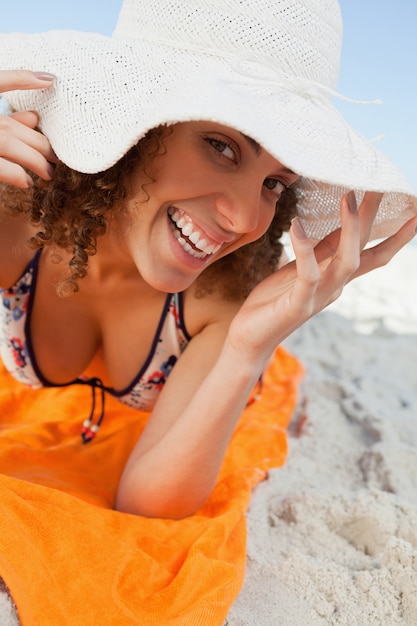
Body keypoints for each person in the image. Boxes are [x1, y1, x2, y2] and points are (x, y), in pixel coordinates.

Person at [0, 0, 416, 521]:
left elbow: (147, 502)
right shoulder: (16, 211)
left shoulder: (220, 298)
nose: (243, 219)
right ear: (141, 125)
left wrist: (248, 349)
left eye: (274, 183)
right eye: (221, 147)